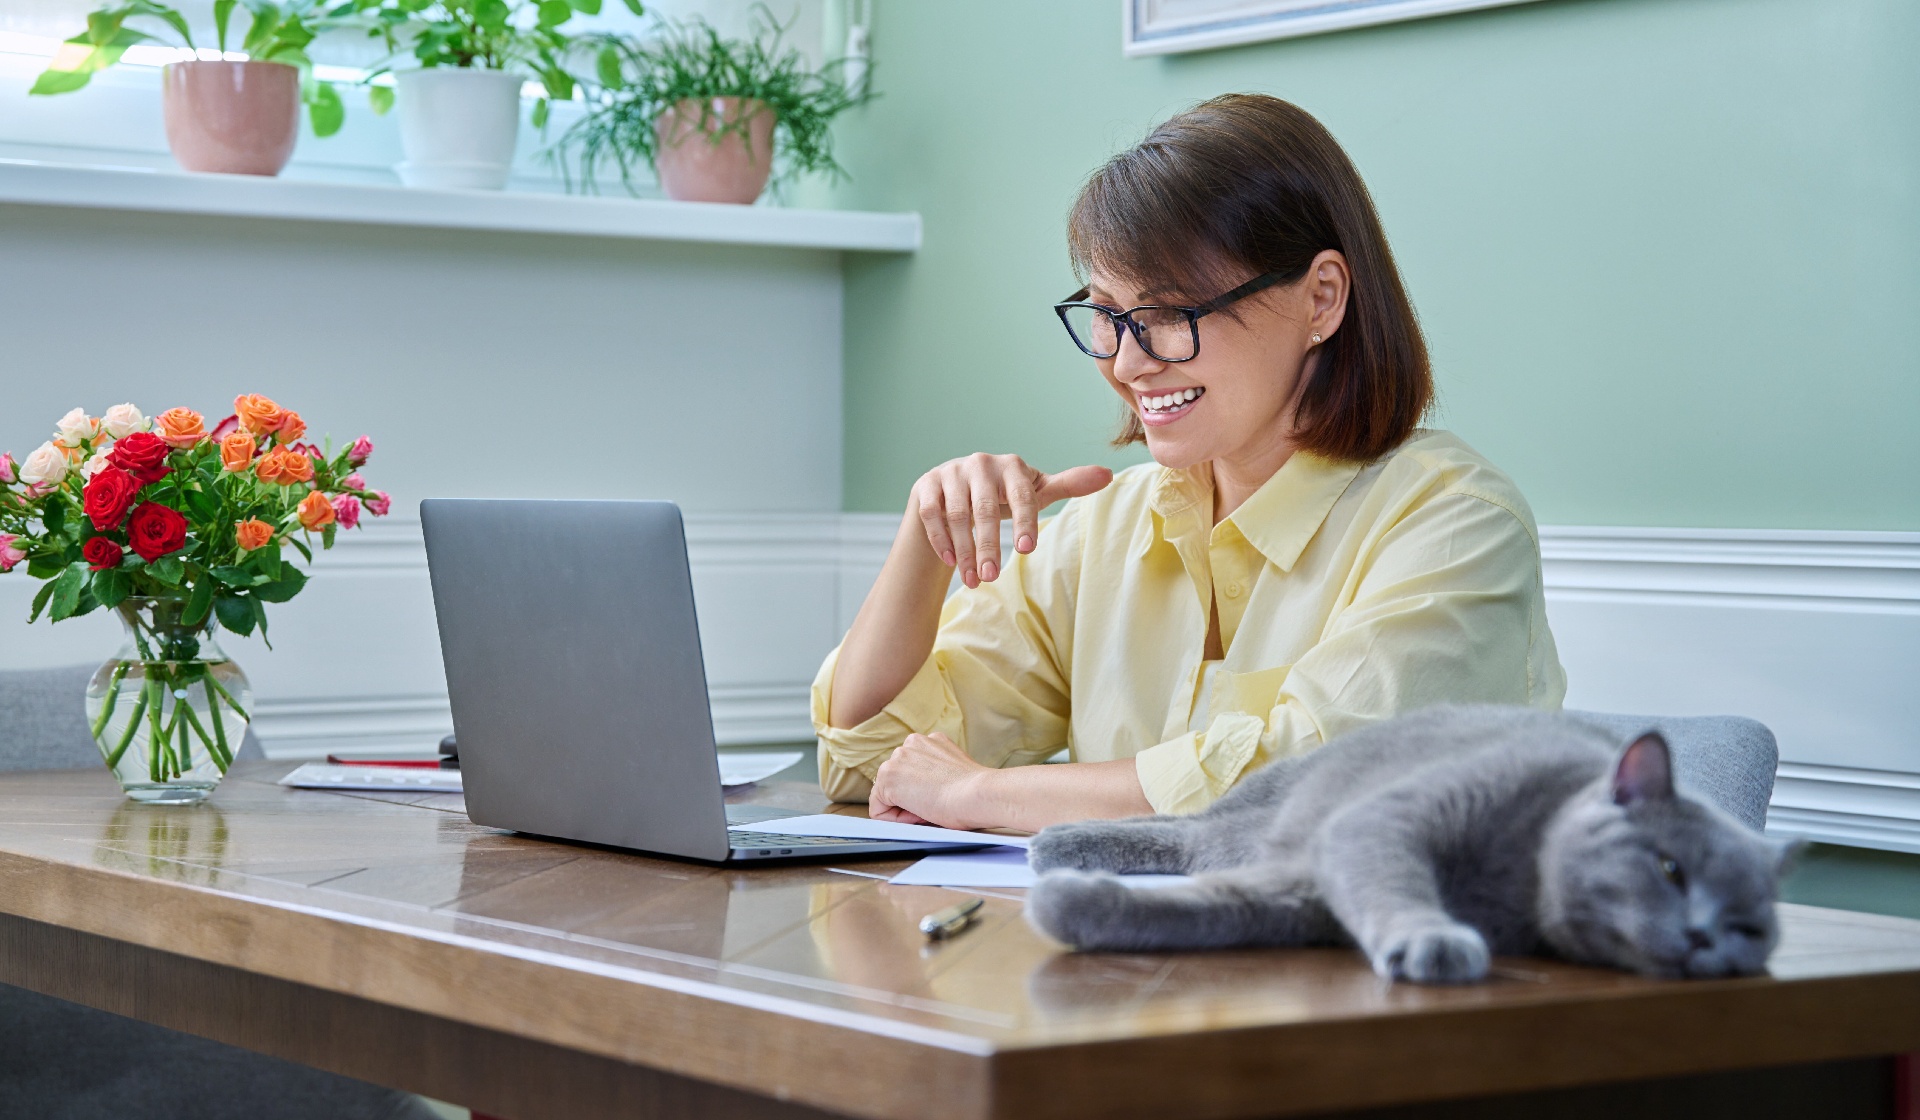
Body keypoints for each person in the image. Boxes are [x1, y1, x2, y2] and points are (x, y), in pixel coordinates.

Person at [813, 93, 1566, 833]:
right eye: (1107, 315)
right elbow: (869, 761)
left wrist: (981, 795)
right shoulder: (1103, 527)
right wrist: (926, 533)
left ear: (1323, 299)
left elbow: (1310, 787)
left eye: (1173, 313)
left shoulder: (1457, 523)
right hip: (1122, 949)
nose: (1129, 362)